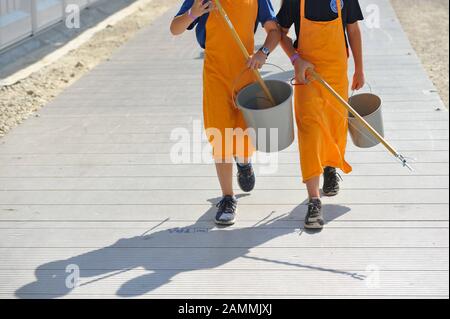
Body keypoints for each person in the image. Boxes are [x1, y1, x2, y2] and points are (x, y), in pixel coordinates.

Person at [170, 0, 280, 225]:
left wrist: (263, 53)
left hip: (246, 73)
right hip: (215, 75)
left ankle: (243, 162)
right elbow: (175, 28)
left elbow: (274, 31)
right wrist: (193, 13)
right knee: (220, 136)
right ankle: (228, 198)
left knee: (244, 134)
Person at [277, 0, 365, 229]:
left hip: (336, 73)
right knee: (310, 130)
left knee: (335, 125)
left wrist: (359, 68)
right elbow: (279, 32)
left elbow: (353, 29)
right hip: (306, 76)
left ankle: (330, 167)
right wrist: (295, 59)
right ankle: (314, 200)